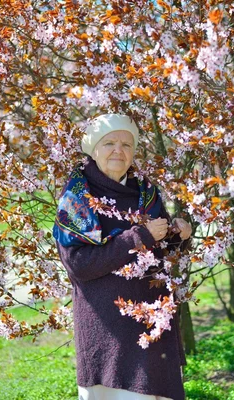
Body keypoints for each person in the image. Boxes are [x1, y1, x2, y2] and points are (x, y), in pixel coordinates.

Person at [54, 114, 192, 400]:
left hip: (153, 320)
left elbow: (161, 248)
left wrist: (177, 236)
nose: (119, 150)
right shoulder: (78, 197)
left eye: (127, 144)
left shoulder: (146, 191)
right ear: (93, 149)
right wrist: (138, 237)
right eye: (109, 143)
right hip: (108, 328)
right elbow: (79, 265)